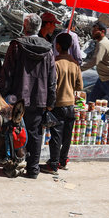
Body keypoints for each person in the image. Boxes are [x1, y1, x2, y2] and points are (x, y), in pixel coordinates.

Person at [0, 13, 56, 179]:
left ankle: (14, 165)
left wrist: (2, 93)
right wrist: (50, 101)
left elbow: (7, 72)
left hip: (17, 99)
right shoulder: (48, 48)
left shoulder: (16, 45)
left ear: (25, 27)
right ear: (38, 27)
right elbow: (53, 78)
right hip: (39, 98)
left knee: (14, 131)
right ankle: (33, 169)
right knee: (35, 133)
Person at [42, 33, 82, 174]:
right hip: (71, 105)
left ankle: (53, 165)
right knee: (67, 136)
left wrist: (49, 105)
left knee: (56, 136)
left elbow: (52, 86)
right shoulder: (75, 64)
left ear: (57, 45)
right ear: (71, 46)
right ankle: (63, 161)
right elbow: (79, 86)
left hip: (58, 105)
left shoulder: (55, 63)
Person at [82, 21, 109, 110]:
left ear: (102, 32)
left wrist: (79, 69)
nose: (92, 32)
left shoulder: (103, 44)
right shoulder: (100, 42)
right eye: (93, 30)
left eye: (95, 30)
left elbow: (95, 61)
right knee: (91, 103)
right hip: (102, 79)